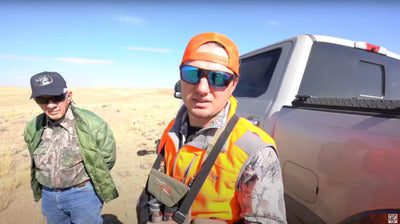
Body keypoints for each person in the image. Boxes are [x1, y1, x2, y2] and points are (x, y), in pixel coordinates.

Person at [147, 32, 287, 223]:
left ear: (233, 85)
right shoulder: (172, 130)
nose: (202, 88)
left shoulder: (255, 151)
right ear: (181, 78)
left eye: (218, 78)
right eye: (192, 73)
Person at [24, 71, 118, 224]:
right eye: (42, 99)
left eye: (56, 98)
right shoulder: (33, 127)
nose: (51, 105)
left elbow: (107, 159)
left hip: (83, 196)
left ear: (69, 96)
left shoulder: (92, 124)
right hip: (49, 197)